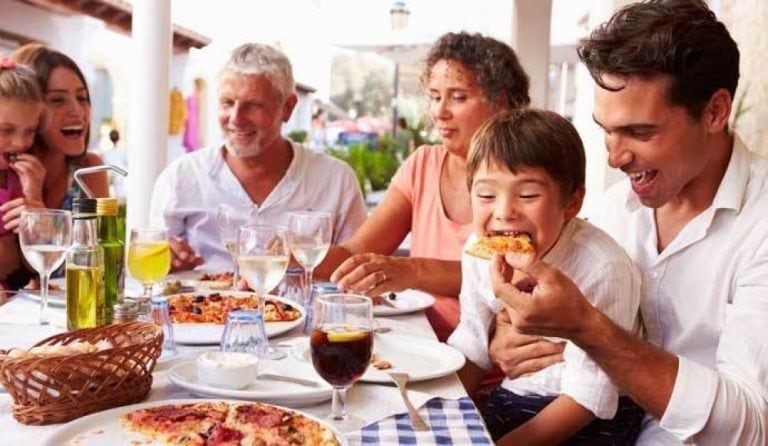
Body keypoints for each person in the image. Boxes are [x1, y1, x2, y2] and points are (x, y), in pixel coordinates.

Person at [489, 1, 768, 444]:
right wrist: (506, 337)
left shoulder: (761, 225)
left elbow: (751, 428)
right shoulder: (616, 208)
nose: (615, 158)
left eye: (640, 133)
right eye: (606, 130)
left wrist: (586, 327)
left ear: (715, 112)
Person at [449, 109, 643, 444]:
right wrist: (435, 411)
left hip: (588, 417)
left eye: (527, 195)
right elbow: (472, 340)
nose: (504, 211)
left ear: (572, 202)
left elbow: (590, 395)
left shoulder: (602, 267)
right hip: (513, 397)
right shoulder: (476, 252)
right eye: (486, 195)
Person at [326, 31, 530, 342]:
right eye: (435, 96)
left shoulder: (529, 177)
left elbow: (510, 274)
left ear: (499, 103)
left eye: (458, 97)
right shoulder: (423, 164)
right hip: (422, 347)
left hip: (494, 366)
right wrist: (290, 258)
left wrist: (412, 271)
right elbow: (356, 253)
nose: (439, 111)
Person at [149, 43, 366, 272]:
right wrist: (168, 261)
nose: (236, 119)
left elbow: (359, 269)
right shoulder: (181, 176)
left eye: (253, 105)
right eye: (227, 103)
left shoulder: (336, 180)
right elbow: (153, 271)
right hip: (203, 305)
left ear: (288, 107)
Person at [13, 44, 108, 210]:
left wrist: (38, 214)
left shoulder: (89, 169)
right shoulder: (6, 171)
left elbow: (101, 236)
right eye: (57, 100)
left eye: (82, 97)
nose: (77, 111)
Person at [0, 58, 45, 289]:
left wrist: (34, 198)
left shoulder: (20, 180)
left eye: (30, 131)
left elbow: (36, 265)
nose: (20, 142)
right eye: (5, 130)